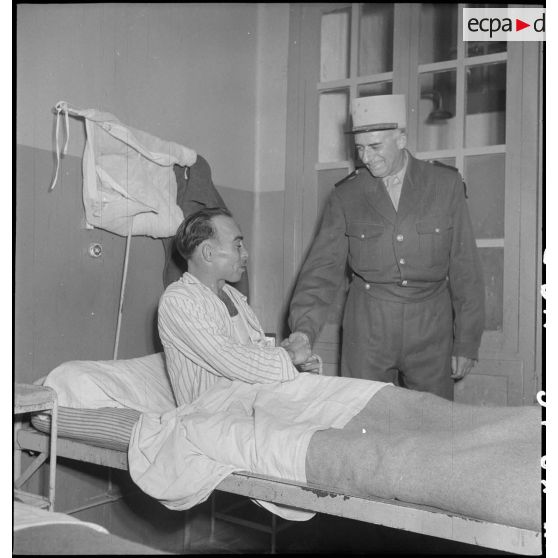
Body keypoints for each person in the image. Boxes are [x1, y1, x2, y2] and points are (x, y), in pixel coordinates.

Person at [151, 208, 539, 531]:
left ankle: (523, 430)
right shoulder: (179, 301)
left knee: (401, 405)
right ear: (205, 252)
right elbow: (234, 361)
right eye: (236, 244)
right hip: (218, 411)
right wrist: (289, 359)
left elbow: (258, 354)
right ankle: (506, 468)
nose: (245, 252)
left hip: (261, 395)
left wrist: (291, 356)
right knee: (383, 441)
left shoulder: (231, 295)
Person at [284, 94, 485, 399]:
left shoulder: (445, 185)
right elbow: (321, 271)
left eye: (375, 146)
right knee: (364, 420)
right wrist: (302, 330)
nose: (366, 157)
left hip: (431, 328)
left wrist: (467, 342)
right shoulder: (346, 196)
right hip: (367, 330)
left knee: (432, 425)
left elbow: (465, 268)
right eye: (360, 148)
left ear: (401, 138)